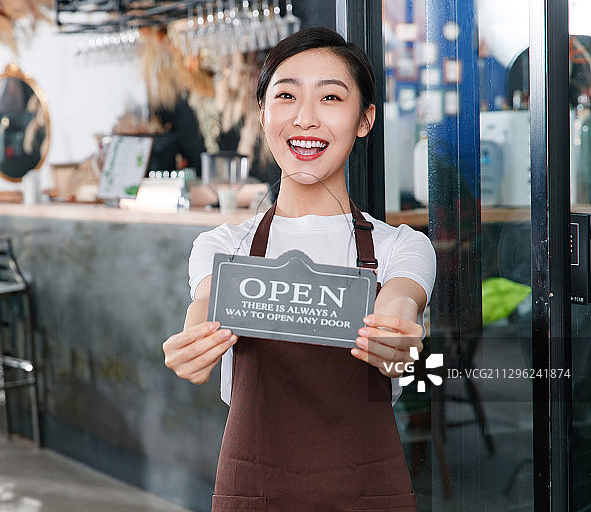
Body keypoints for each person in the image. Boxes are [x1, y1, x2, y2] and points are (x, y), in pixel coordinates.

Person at [162, 27, 436, 511]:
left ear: (365, 119)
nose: (306, 118)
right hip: (254, 490)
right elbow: (203, 306)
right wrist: (193, 345)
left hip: (368, 490)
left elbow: (400, 306)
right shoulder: (224, 245)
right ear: (263, 113)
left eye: (331, 97)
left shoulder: (401, 247)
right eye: (286, 95)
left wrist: (398, 342)